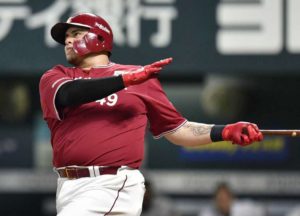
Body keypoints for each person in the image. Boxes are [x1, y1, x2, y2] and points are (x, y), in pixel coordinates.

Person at [39, 12, 263, 216]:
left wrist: (225, 131)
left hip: (112, 182)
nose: (68, 40)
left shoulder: (140, 78)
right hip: (67, 185)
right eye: (66, 36)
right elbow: (68, 95)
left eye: (76, 34)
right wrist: (125, 81)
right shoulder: (57, 76)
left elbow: (178, 129)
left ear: (100, 38)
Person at [199, 182, 266, 216]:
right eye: (219, 200)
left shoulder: (245, 208)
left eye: (225, 199)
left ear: (231, 198)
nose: (222, 203)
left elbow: (263, 211)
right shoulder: (207, 214)